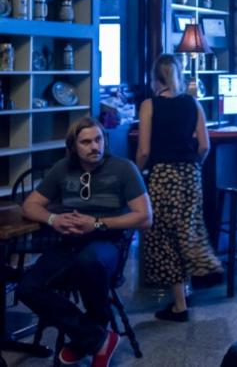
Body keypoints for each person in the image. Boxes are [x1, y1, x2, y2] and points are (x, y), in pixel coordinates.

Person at [17, 117, 152, 367]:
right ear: (73, 146)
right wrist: (52, 218)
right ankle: (97, 338)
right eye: (86, 142)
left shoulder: (123, 168)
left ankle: (85, 339)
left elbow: (145, 217)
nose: (94, 146)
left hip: (107, 242)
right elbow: (29, 205)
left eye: (99, 139)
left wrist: (97, 223)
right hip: (68, 242)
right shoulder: (62, 169)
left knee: (89, 262)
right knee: (27, 287)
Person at [136, 54, 223, 323]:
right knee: (188, 229)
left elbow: (144, 150)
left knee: (164, 237)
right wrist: (192, 165)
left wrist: (136, 173)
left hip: (163, 175)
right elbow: (205, 146)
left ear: (155, 79)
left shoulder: (149, 106)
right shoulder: (193, 103)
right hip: (190, 174)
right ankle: (198, 274)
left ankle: (181, 302)